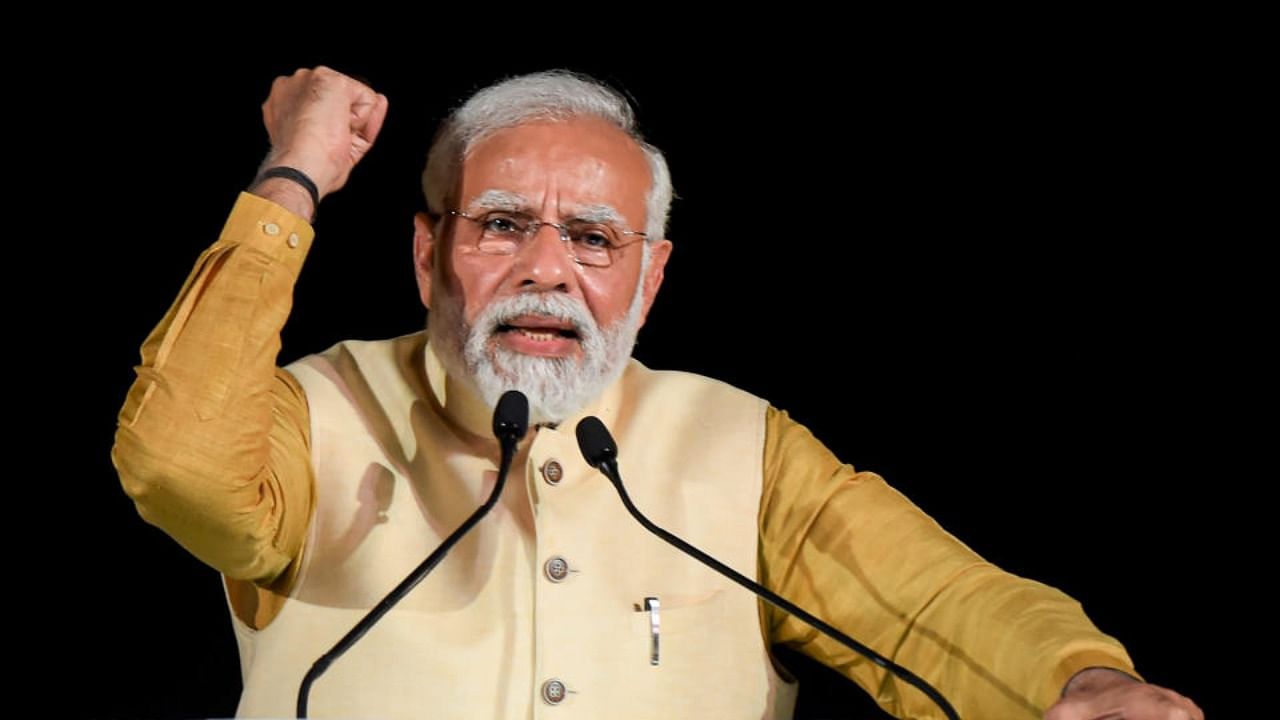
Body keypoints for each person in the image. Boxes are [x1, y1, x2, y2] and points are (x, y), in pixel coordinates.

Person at [112, 66, 1203, 719]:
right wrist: (292, 177)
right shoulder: (317, 411)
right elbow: (175, 466)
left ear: (651, 275)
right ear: (425, 251)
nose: (545, 268)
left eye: (591, 237)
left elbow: (936, 606)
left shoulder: (742, 448)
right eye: (500, 225)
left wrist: (1082, 678)